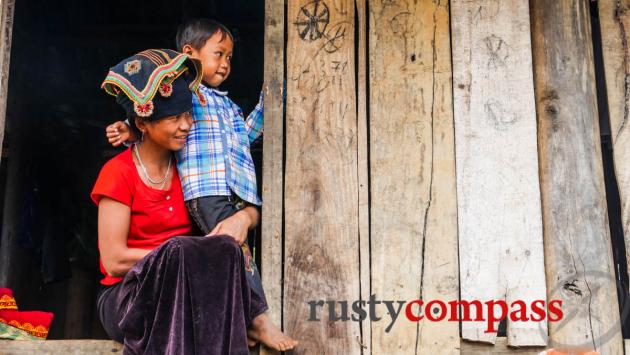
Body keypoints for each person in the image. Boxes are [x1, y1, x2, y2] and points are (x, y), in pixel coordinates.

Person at [105, 19, 296, 350]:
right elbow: (151, 108)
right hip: (140, 287)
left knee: (230, 254)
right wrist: (129, 129)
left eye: (229, 58)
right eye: (218, 54)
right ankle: (259, 319)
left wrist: (268, 104)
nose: (185, 125)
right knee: (227, 251)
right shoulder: (186, 95)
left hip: (232, 190)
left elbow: (245, 137)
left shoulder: (226, 106)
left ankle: (242, 321)